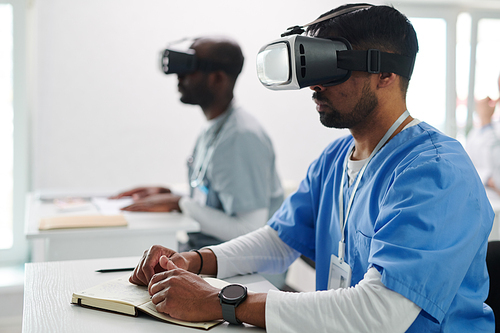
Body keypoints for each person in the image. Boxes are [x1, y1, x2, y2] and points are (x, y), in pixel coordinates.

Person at [128, 4, 494, 332]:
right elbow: (278, 240)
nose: (314, 86)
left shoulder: (435, 172)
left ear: (385, 74)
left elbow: (383, 312)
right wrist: (195, 261)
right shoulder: (335, 157)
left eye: (331, 68)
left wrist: (221, 302)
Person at [111, 36, 284, 250]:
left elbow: (250, 230)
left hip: (246, 272)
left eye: (190, 68)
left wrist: (180, 204)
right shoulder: (214, 128)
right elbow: (213, 203)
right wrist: (170, 195)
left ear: (218, 78)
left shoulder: (241, 136)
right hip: (208, 254)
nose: (179, 77)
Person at [466, 75, 500, 194]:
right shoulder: (478, 132)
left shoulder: (488, 127)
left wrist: (486, 121)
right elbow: (467, 170)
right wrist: (488, 179)